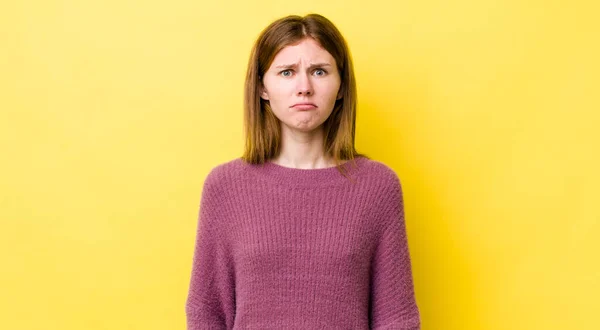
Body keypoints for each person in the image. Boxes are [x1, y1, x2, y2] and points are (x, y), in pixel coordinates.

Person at [185, 13, 421, 330]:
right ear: (262, 88)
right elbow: (206, 313)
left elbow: (397, 318)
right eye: (286, 72)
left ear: (340, 87)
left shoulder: (377, 186)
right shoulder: (225, 187)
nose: (304, 87)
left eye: (319, 71)